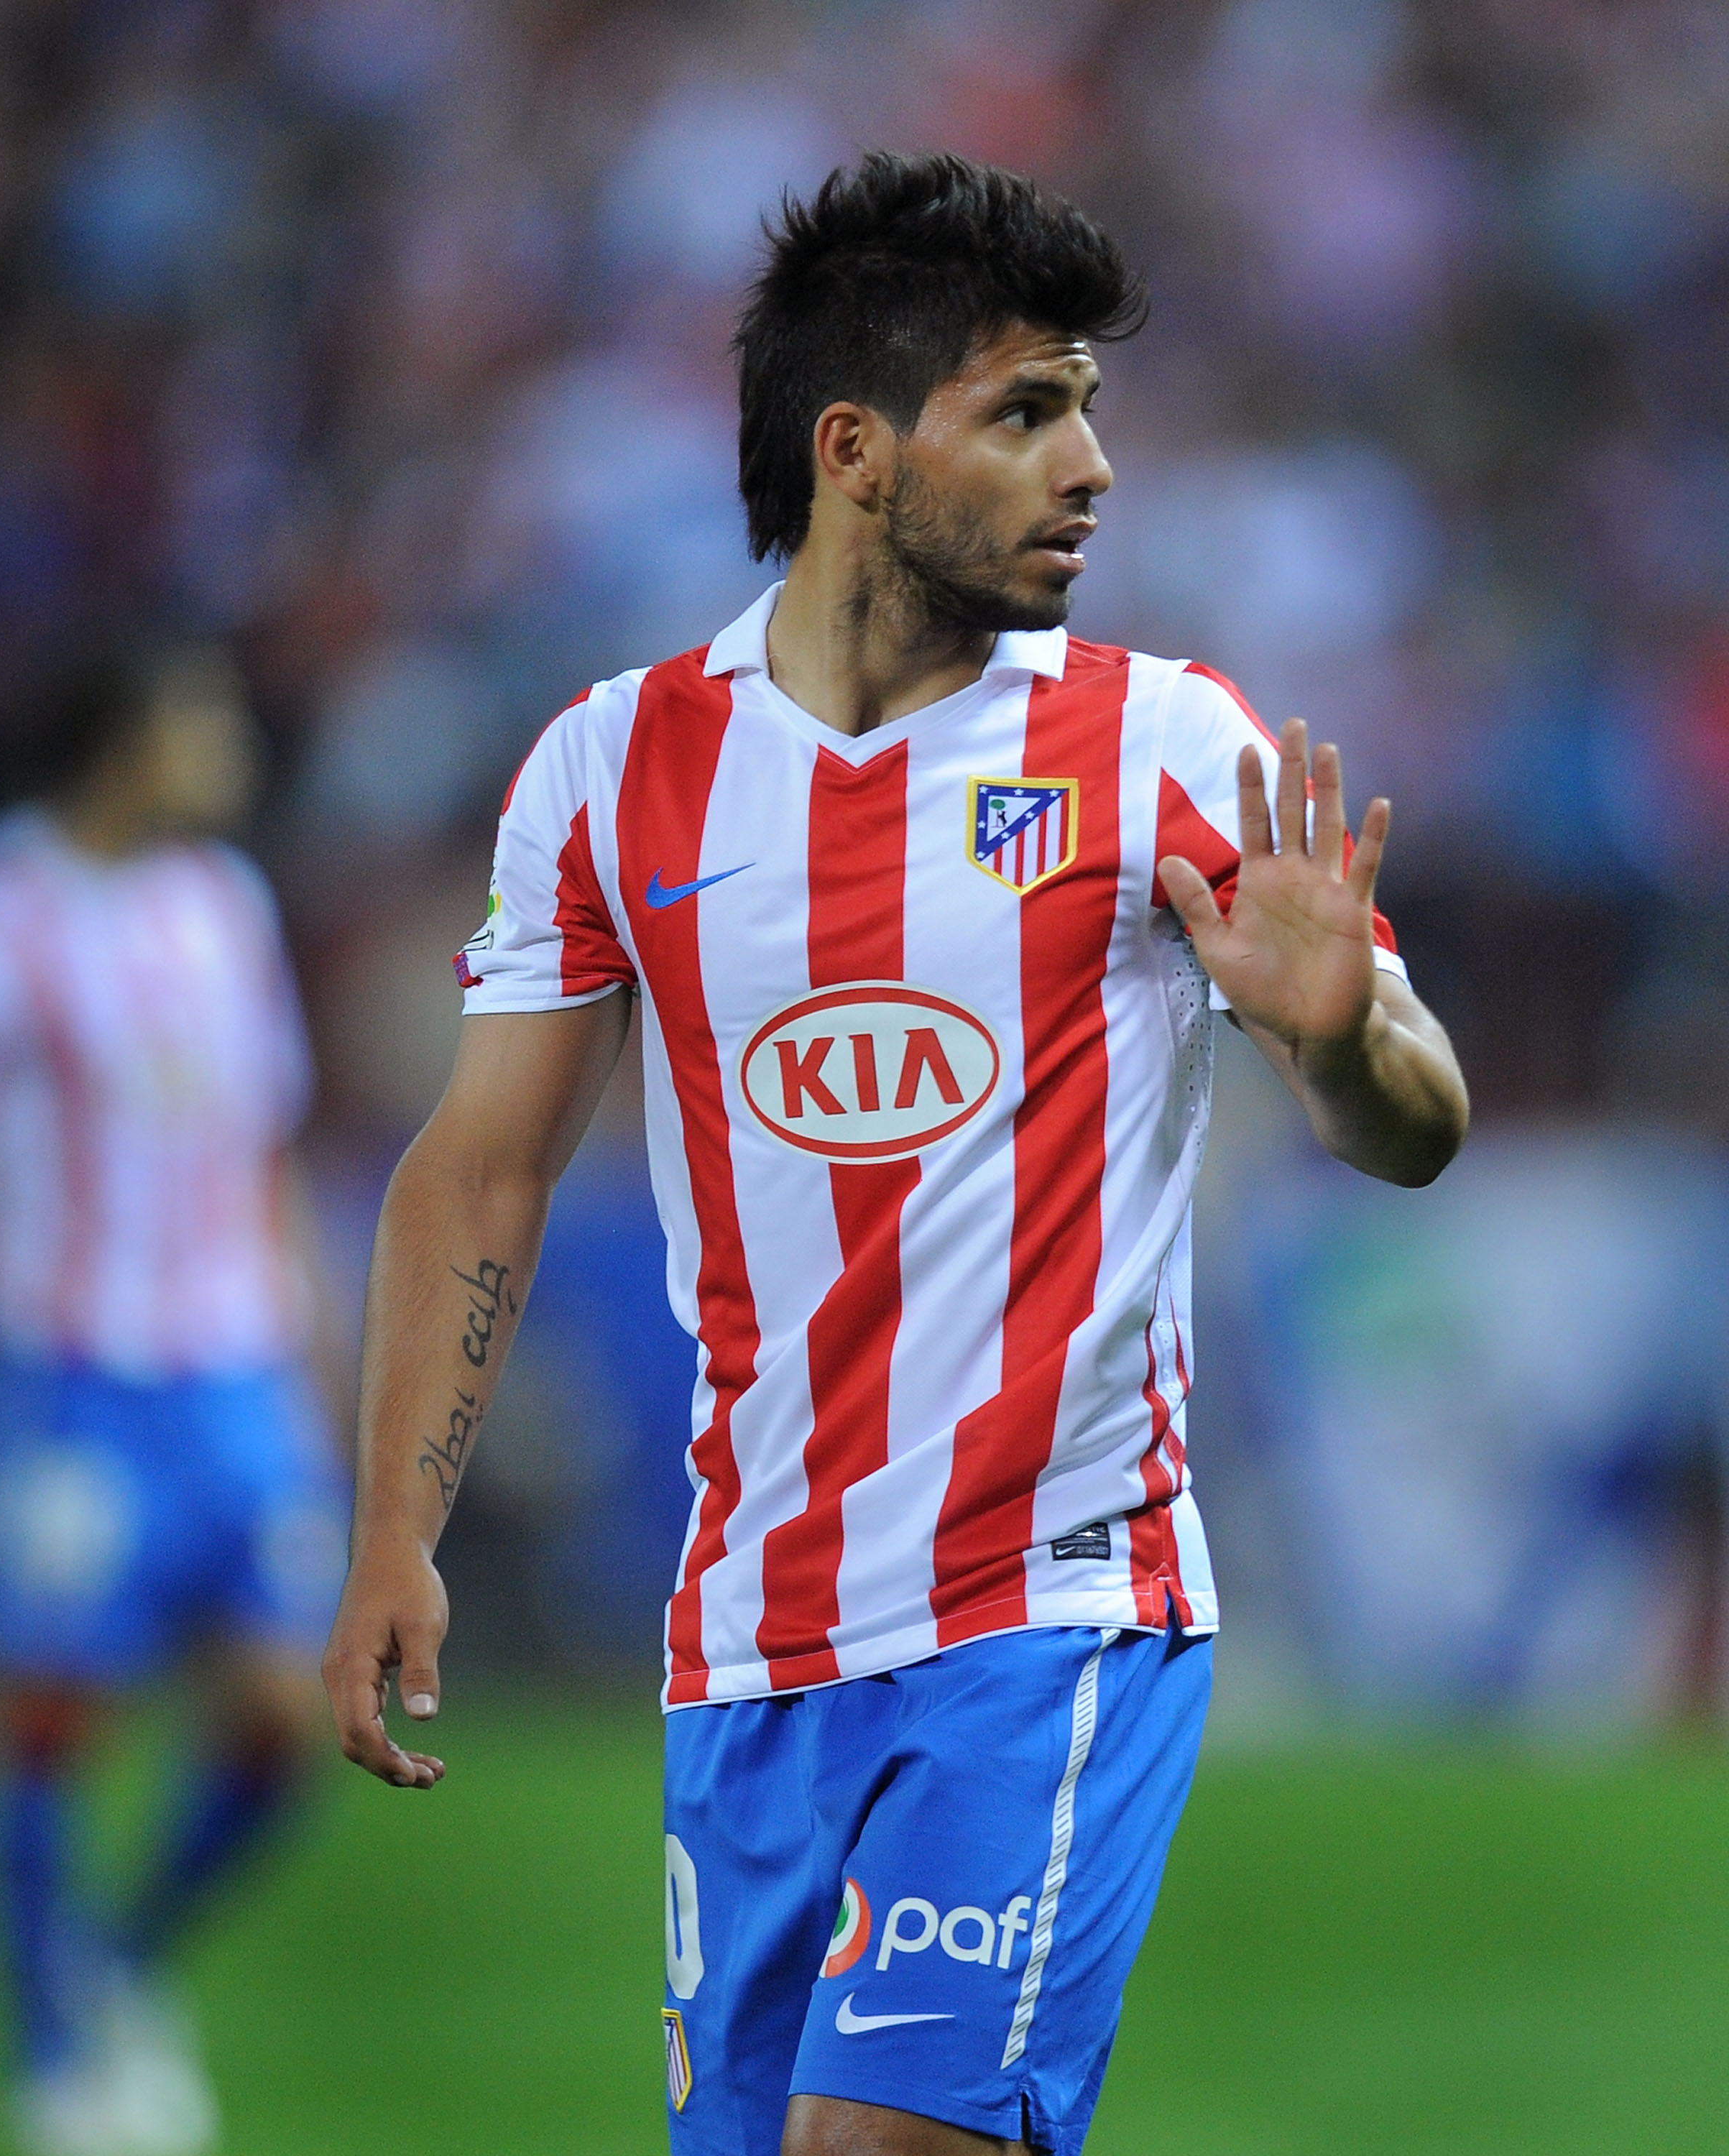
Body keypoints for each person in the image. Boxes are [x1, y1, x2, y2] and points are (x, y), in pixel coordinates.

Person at [322, 152, 1470, 2156]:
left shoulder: (1163, 744)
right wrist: (394, 1535)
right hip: (749, 1632)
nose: (1093, 465)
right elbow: (479, 1171)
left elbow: (1417, 1126)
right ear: (856, 450)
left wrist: (1346, 1032)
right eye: (1028, 413)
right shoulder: (613, 769)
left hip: (1051, 1599)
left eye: (1090, 408)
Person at [0, 645, 348, 2156]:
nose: (229, 745)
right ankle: (57, 2059)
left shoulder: (226, 908)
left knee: (286, 1714)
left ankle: (116, 1961)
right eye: (197, 717)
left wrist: (309, 1348)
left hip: (233, 1375)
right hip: (67, 1376)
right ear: (119, 740)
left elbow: (262, 1145)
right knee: (48, 1717)